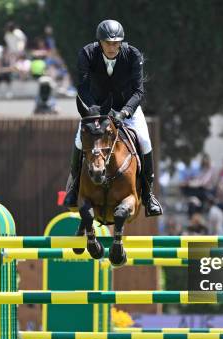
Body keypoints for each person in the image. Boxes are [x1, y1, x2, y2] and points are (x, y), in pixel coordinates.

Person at [62, 19, 162, 216]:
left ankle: (149, 195)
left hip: (127, 109)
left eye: (116, 43)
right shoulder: (87, 54)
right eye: (108, 43)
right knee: (79, 141)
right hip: (96, 110)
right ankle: (73, 188)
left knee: (144, 140)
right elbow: (82, 86)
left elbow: (138, 92)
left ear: (121, 43)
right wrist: (94, 110)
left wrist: (124, 112)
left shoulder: (133, 55)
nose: (111, 47)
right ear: (100, 42)